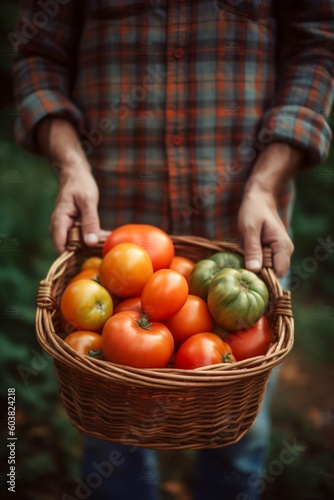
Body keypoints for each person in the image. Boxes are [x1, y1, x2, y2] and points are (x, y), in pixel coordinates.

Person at [12, 1, 333, 499]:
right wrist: (71, 164)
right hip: (108, 229)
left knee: (238, 432)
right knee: (110, 434)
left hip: (245, 241)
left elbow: (319, 46)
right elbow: (36, 54)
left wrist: (266, 183)